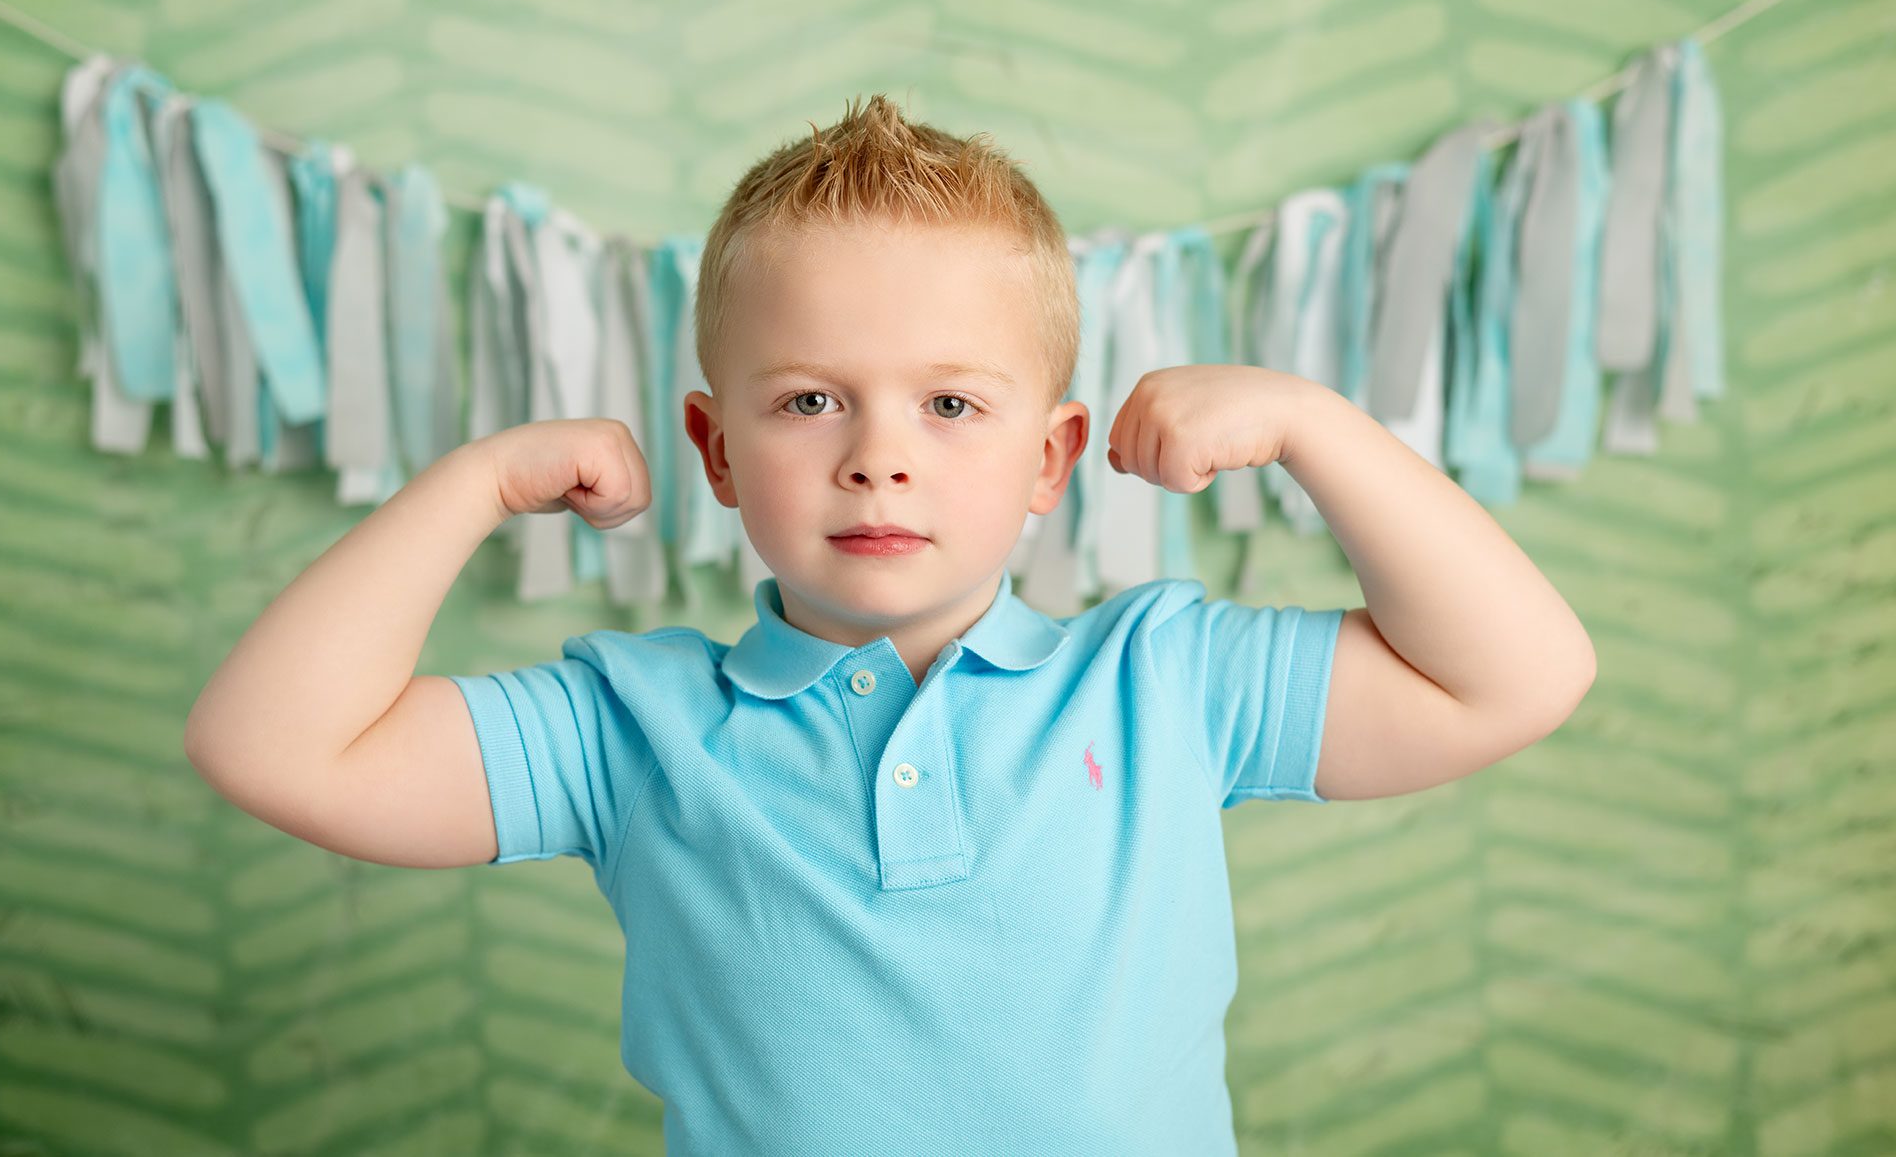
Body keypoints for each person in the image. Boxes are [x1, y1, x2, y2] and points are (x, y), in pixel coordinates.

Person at [184, 95, 1598, 1155]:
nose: (878, 456)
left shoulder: (1164, 682)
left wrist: (1318, 427)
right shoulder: (631, 728)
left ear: (1051, 459)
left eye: (951, 403)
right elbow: (275, 746)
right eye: (809, 399)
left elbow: (1520, 675)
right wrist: (476, 482)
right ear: (716, 449)